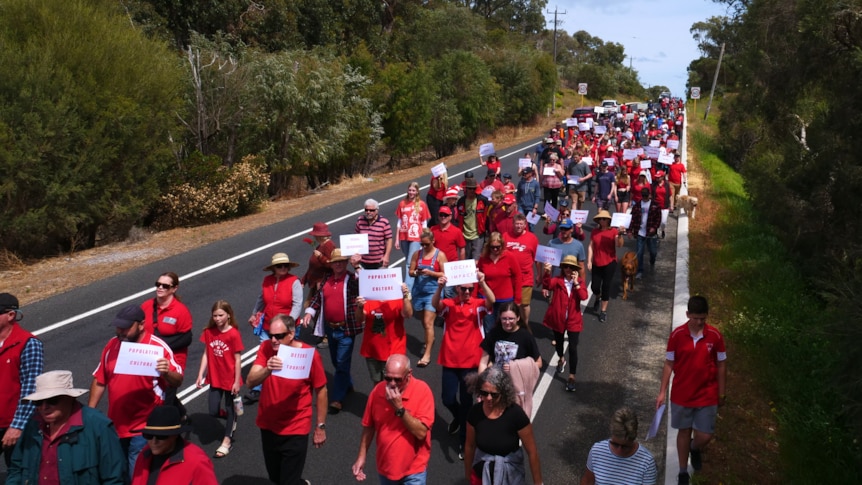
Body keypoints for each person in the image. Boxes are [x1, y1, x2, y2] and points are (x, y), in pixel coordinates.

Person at [89, 304, 183, 476]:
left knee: (137, 476)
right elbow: (100, 380)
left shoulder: (157, 348)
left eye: (125, 327)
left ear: (141, 325)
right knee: (117, 474)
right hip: (116, 426)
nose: (120, 331)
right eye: (118, 327)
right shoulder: (112, 346)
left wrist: (167, 372)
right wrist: (89, 413)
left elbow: (178, 380)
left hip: (144, 429)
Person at [8, 370, 127, 484]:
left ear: (70, 398)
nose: (44, 407)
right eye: (38, 402)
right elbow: (16, 468)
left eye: (52, 400)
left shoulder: (99, 426)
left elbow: (114, 478)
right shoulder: (33, 424)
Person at [248, 315, 327, 485]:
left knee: (288, 481)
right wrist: (267, 370)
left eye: (279, 336)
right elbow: (250, 381)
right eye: (271, 336)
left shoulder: (308, 356)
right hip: (268, 425)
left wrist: (320, 426)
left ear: (291, 334)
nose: (274, 340)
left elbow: (321, 391)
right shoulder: (265, 348)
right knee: (275, 477)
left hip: (295, 428)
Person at [656, 296, 727, 485]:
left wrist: (722, 392)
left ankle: (695, 448)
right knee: (684, 432)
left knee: (705, 435)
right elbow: (669, 363)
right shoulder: (677, 335)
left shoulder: (716, 336)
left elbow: (721, 364)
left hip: (707, 394)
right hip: (682, 394)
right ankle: (682, 471)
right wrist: (662, 391)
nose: (699, 322)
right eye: (695, 318)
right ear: (688, 315)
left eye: (702, 318)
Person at [432, 272, 495, 459]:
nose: (467, 291)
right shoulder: (450, 305)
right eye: (463, 288)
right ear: (457, 288)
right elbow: (435, 305)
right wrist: (440, 287)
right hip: (450, 361)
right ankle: (462, 419)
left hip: (471, 363)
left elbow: (492, 301)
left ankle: (464, 442)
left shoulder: (477, 305)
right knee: (447, 399)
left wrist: (482, 282)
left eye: (470, 288)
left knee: (467, 403)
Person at [351, 355, 434, 484]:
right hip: (386, 468)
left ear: (409, 374)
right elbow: (369, 426)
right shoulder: (377, 392)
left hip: (414, 470)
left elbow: (421, 432)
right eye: (388, 378)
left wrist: (399, 409)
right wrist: (361, 457)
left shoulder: (422, 391)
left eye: (398, 379)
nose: (392, 384)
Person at [303, 248, 362, 414]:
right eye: (336, 262)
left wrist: (357, 267)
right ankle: (347, 384)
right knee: (337, 362)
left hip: (346, 329)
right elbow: (318, 298)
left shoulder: (351, 279)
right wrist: (309, 311)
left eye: (342, 261)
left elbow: (363, 282)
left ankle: (337, 398)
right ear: (332, 264)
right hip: (330, 328)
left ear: (345, 263)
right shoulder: (327, 279)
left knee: (342, 363)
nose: (339, 265)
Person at [463, 367, 543, 485]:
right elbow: (469, 446)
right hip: (480, 477)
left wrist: (538, 482)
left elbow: (532, 452)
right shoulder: (475, 413)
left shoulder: (515, 414)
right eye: (484, 393)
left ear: (504, 393)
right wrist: (468, 475)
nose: (489, 398)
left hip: (510, 477)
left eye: (494, 394)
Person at [245, 253, 303, 404]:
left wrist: (289, 324)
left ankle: (288, 387)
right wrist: (254, 314)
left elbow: (297, 304)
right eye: (279, 266)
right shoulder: (267, 281)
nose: (283, 268)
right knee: (264, 353)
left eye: (285, 265)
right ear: (274, 268)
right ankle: (257, 388)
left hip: (286, 329)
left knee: (286, 356)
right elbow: (261, 299)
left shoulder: (294, 281)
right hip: (267, 327)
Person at [141, 272, 192, 421]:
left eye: (165, 286)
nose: (160, 288)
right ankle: (182, 414)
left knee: (166, 401)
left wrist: (159, 346)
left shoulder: (180, 311)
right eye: (158, 284)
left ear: (174, 288)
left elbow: (186, 338)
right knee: (154, 392)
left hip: (172, 363)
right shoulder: (146, 306)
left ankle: (170, 429)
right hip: (150, 360)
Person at [0, 293, 43, 468]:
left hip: (14, 425)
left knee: (18, 474)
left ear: (11, 315)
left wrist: (17, 426)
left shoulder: (28, 343)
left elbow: (30, 388)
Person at [196, 300, 244, 458]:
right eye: (215, 315)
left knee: (231, 408)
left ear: (228, 315)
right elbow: (205, 354)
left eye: (220, 315)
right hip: (215, 377)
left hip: (230, 378)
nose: (217, 318)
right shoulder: (209, 332)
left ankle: (227, 441)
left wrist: (237, 381)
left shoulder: (233, 334)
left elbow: (238, 359)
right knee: (213, 410)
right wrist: (200, 375)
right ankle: (231, 416)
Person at [477, 302, 542, 415]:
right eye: (504, 319)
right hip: (495, 385)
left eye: (511, 318)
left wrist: (515, 367)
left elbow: (538, 363)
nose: (507, 322)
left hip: (516, 388)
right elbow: (483, 362)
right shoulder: (494, 333)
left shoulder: (525, 336)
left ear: (518, 318)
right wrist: (480, 386)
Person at [130, 406, 218, 485]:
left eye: (161, 436)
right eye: (148, 435)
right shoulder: (144, 455)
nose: (154, 441)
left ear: (175, 435)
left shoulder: (197, 462)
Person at [541, 257, 588, 392]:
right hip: (558, 319)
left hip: (573, 320)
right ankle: (561, 359)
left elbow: (584, 296)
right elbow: (547, 285)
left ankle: (572, 376)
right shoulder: (558, 281)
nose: (568, 269)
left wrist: (576, 284)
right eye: (566, 267)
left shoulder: (579, 282)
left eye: (571, 267)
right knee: (559, 344)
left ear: (575, 270)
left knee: (573, 348)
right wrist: (547, 272)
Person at [580, 407, 658, 485]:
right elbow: (588, 481)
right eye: (615, 444)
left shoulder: (647, 462)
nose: (619, 450)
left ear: (633, 439)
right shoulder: (597, 451)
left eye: (625, 446)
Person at [356, 284, 413, 383]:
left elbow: (408, 314)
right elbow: (359, 319)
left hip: (394, 350)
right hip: (373, 350)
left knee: (395, 384)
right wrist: (360, 307)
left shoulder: (397, 297)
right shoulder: (368, 299)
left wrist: (405, 298)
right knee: (377, 383)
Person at [408, 229, 448, 367]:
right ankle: (430, 337)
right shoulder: (416, 254)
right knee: (422, 319)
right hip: (419, 291)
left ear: (432, 241)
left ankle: (427, 354)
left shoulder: (440, 255)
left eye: (426, 244)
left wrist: (431, 273)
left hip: (433, 291)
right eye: (422, 244)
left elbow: (445, 273)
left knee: (427, 322)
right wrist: (416, 273)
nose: (424, 247)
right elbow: (410, 271)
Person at [476, 232, 521, 335]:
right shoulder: (484, 258)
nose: (495, 249)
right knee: (489, 327)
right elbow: (477, 278)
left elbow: (517, 277)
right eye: (492, 247)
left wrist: (518, 299)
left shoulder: (510, 257)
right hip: (486, 298)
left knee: (505, 327)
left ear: (502, 245)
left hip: (505, 298)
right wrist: (474, 297)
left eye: (498, 247)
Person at [587, 210, 624, 323]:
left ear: (608, 220)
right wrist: (589, 260)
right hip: (597, 262)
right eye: (600, 219)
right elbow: (591, 246)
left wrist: (620, 234)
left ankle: (603, 311)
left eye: (604, 219)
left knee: (606, 286)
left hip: (610, 263)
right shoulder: (594, 231)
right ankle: (598, 297)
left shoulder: (613, 231)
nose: (602, 221)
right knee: (595, 286)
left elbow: (619, 244)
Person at [503, 214, 540, 327]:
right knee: (509, 303)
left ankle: (525, 324)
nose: (518, 226)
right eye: (516, 224)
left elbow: (537, 258)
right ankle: (509, 324)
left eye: (521, 224)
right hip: (509, 277)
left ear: (525, 225)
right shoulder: (505, 236)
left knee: (524, 304)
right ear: (513, 224)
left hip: (525, 277)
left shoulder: (532, 238)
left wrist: (539, 274)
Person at [395, 182, 431, 291]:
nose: (411, 192)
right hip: (404, 236)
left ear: (417, 192)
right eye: (410, 190)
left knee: (409, 263)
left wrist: (424, 238)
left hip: (416, 237)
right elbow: (399, 222)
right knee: (410, 261)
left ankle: (407, 289)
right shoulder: (402, 204)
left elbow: (424, 223)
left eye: (413, 190)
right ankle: (416, 282)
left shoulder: (422, 204)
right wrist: (397, 239)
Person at [629, 188, 662, 279]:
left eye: (646, 195)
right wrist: (630, 231)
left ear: (649, 195)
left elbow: (658, 219)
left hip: (651, 234)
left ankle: (652, 260)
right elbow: (632, 219)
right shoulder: (637, 206)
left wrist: (654, 228)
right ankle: (640, 271)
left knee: (653, 251)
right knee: (639, 253)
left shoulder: (655, 205)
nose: (644, 197)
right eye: (643, 195)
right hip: (640, 232)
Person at [355, 198, 393, 269]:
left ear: (376, 210)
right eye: (366, 210)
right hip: (363, 262)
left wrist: (386, 256)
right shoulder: (360, 220)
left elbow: (389, 240)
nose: (368, 212)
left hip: (379, 262)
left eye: (371, 210)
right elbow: (356, 238)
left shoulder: (384, 222)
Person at [456, 178, 489, 260]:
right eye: (470, 188)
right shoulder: (461, 201)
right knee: (466, 259)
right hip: (464, 235)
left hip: (478, 235)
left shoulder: (483, 201)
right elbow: (458, 218)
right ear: (466, 189)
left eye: (473, 188)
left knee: (476, 260)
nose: (472, 190)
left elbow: (487, 217)